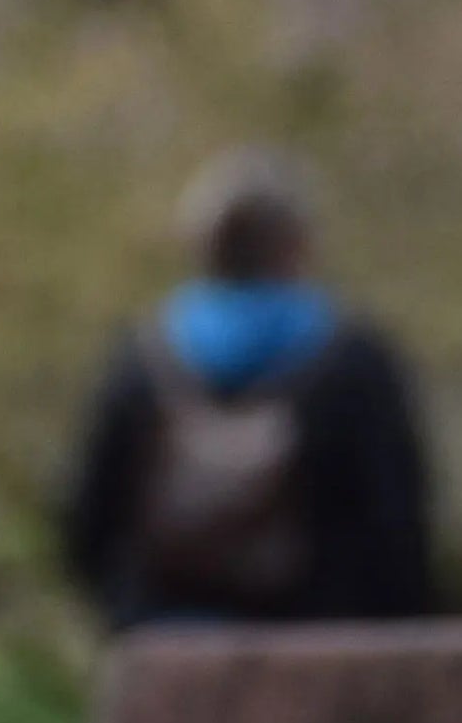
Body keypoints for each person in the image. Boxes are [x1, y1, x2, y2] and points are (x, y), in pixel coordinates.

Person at [54, 152, 440, 631]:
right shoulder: (353, 362)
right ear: (297, 245)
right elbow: (398, 530)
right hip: (321, 645)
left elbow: (88, 522)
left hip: (171, 642)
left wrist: (125, 611)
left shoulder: (143, 360)